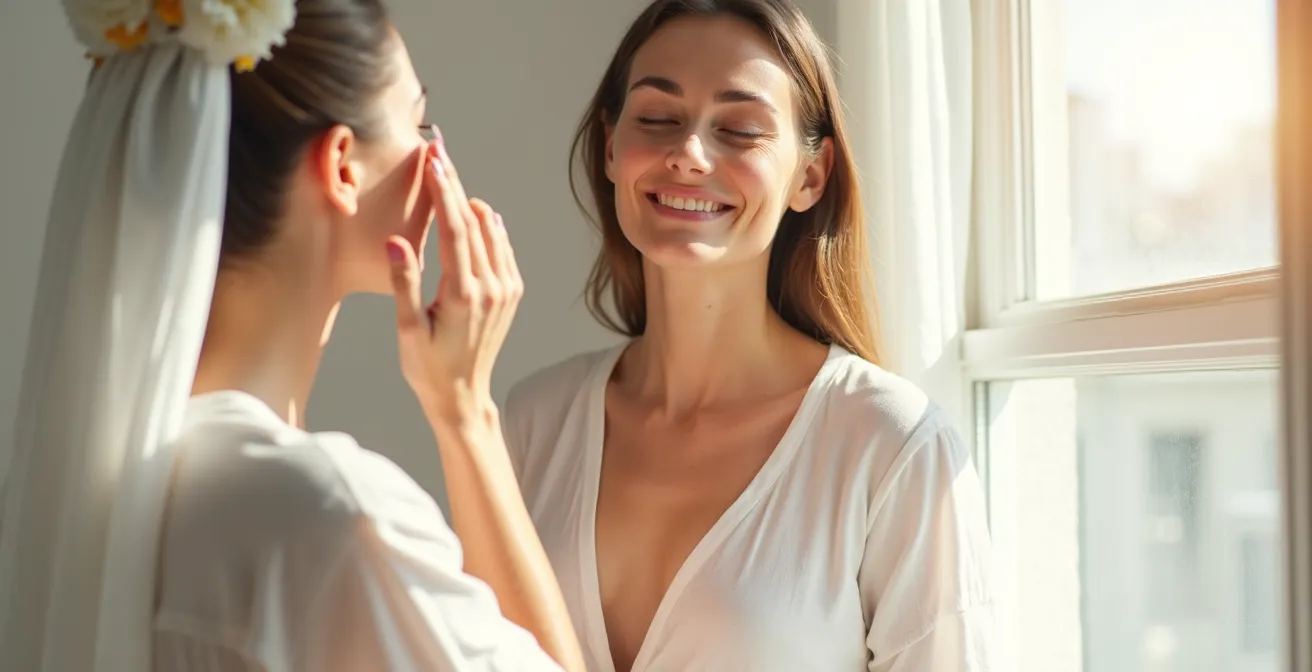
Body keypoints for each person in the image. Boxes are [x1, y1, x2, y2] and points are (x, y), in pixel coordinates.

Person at [0, 0, 584, 670]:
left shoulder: (54, 500)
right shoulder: (333, 518)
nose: (434, 153)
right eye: (418, 121)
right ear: (341, 165)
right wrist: (466, 414)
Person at [503, 0, 996, 670]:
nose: (689, 154)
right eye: (657, 118)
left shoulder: (893, 448)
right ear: (612, 145)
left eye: (740, 129)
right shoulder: (530, 423)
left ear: (809, 176)